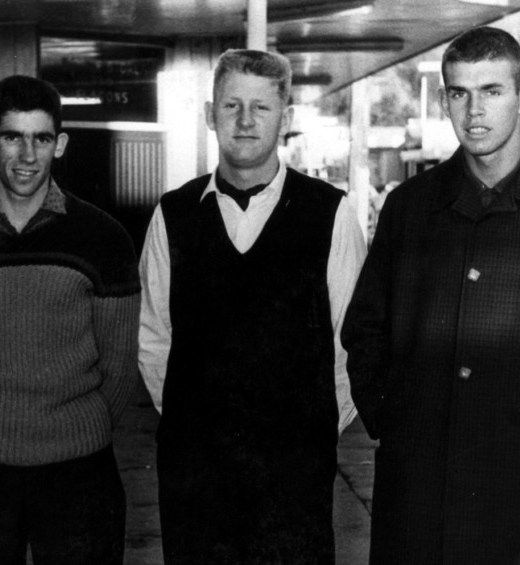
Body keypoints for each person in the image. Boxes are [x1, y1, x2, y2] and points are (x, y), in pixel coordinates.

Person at [342, 26, 520, 565]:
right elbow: (366, 326)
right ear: (444, 101)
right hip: (418, 485)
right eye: (459, 93)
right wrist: (391, 413)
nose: (474, 110)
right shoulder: (410, 206)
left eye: (492, 91)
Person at [139, 49, 366, 564]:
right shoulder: (173, 214)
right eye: (231, 105)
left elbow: (350, 344)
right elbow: (153, 339)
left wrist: (306, 433)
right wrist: (198, 426)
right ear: (210, 114)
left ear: (285, 119)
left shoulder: (329, 213)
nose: (245, 121)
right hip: (196, 476)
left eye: (261, 108)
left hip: (294, 478)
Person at [0, 75, 140, 565]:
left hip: (80, 473)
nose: (28, 155)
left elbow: (120, 368)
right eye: (12, 137)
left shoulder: (103, 238)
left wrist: (77, 429)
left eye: (41, 138)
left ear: (60, 144)